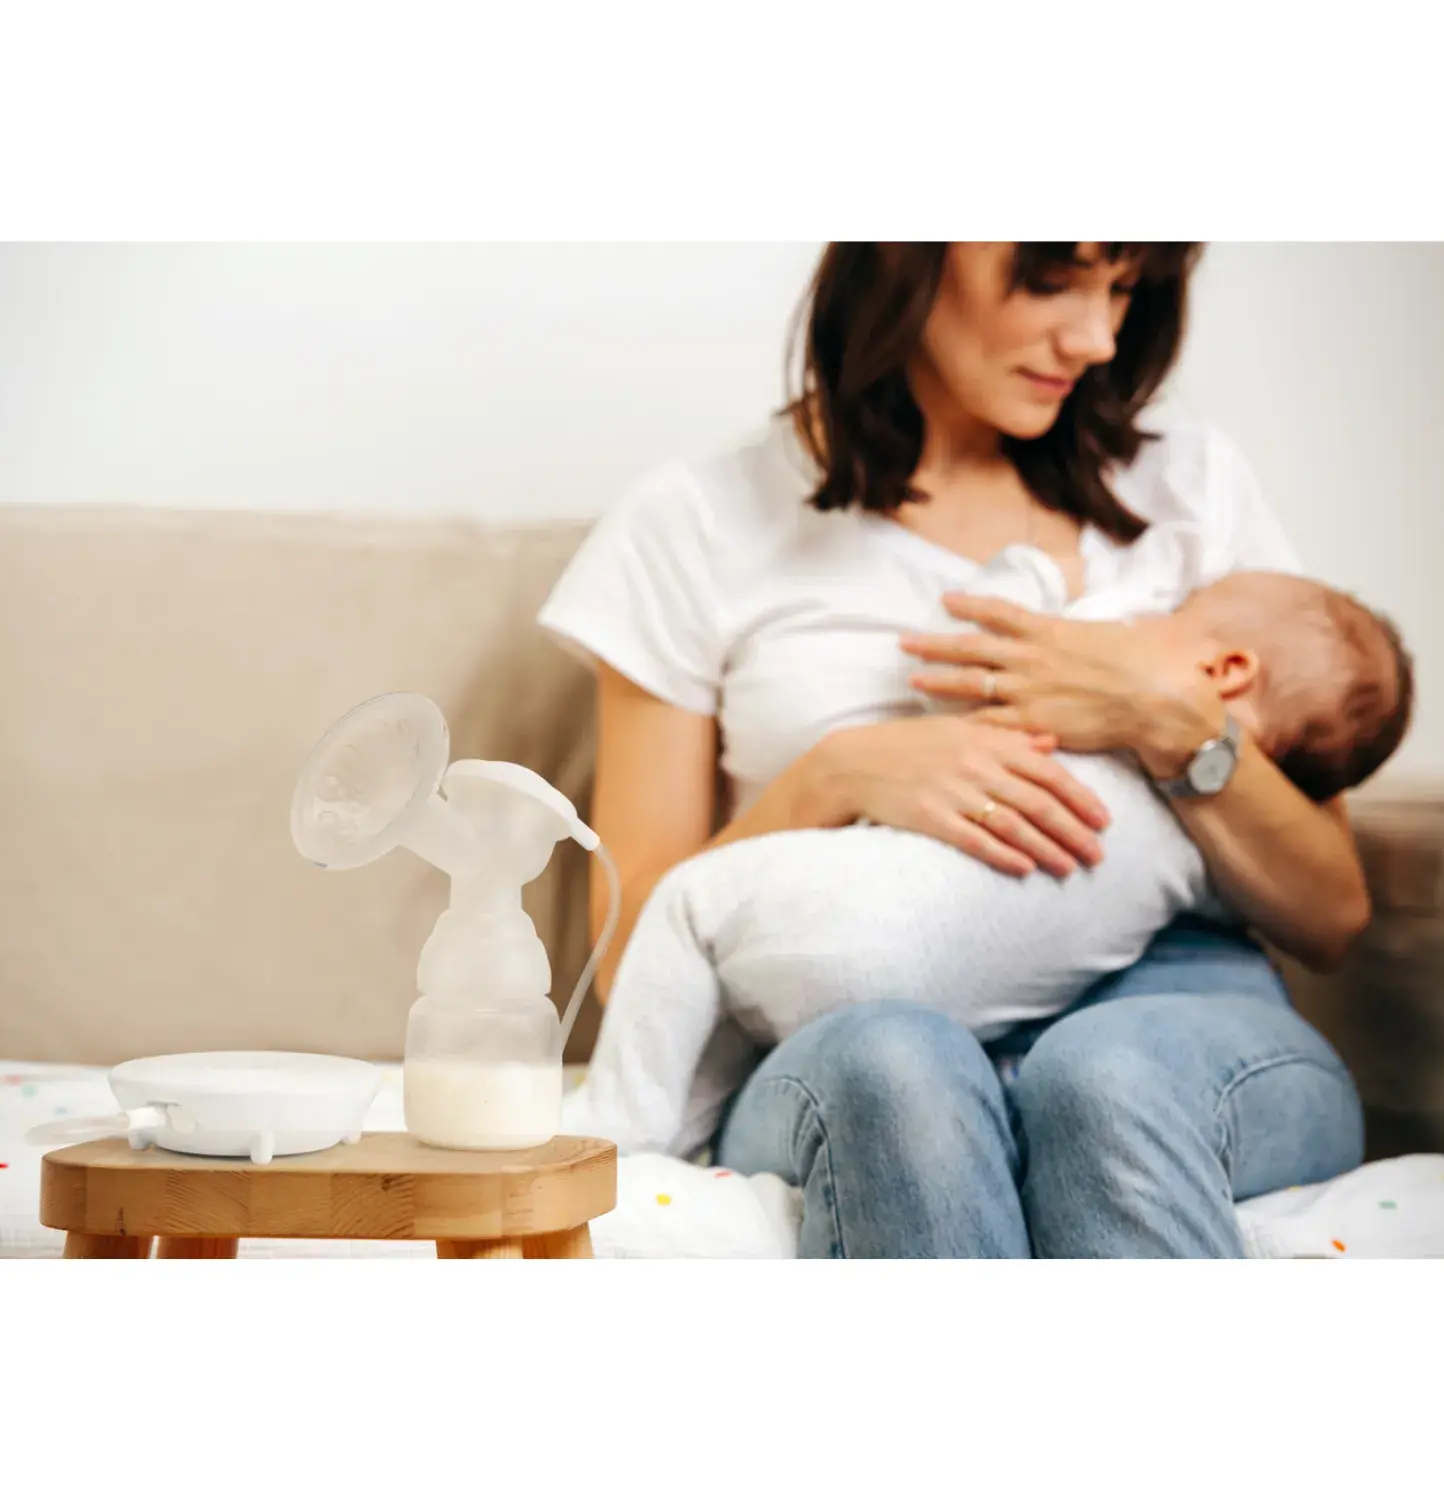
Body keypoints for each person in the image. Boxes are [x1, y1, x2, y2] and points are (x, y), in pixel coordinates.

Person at [539, 242, 1384, 1258]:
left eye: (1124, 289)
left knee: (1107, 1078)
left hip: (1181, 1006)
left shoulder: (1190, 486)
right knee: (899, 1070)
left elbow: (1331, 913)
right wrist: (834, 778)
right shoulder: (692, 525)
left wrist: (1166, 722)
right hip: (858, 1021)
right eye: (1051, 280)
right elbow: (635, 959)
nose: (1097, 338)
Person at [558, 561, 1412, 1159]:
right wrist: (835, 773)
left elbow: (965, 658)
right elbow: (1272, 882)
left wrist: (1026, 582)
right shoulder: (1210, 849)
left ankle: (623, 1131)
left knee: (693, 907)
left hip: (867, 939)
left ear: (1223, 670)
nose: (1146, 619)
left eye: (1177, 610)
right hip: (952, 1010)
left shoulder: (1074, 694)